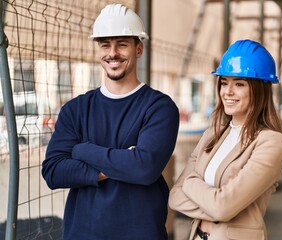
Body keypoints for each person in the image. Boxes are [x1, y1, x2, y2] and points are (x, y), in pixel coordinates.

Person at [42, 4, 179, 240]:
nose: (112, 53)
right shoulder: (75, 109)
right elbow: (53, 171)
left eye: (122, 44)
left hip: (140, 233)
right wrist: (124, 160)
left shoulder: (159, 107)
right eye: (105, 44)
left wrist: (83, 150)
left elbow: (144, 168)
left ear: (138, 49)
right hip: (83, 234)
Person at [169, 39, 282, 240]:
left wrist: (191, 183)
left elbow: (222, 208)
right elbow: (175, 197)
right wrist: (216, 201)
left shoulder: (271, 142)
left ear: (260, 89)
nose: (227, 91)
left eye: (239, 84)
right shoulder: (213, 134)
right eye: (224, 82)